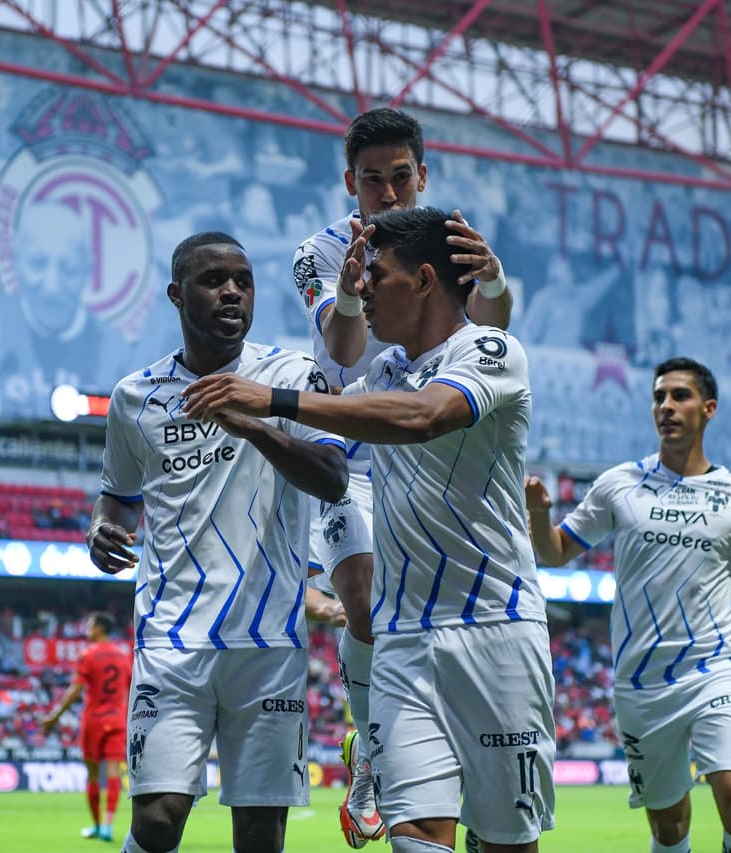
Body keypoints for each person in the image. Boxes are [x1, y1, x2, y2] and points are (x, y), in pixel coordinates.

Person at [186, 207, 555, 853]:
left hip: (495, 630)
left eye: (374, 275)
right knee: (414, 837)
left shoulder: (490, 350)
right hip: (402, 642)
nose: (358, 287)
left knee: (505, 844)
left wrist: (269, 400)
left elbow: (424, 416)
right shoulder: (380, 374)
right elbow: (329, 428)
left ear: (423, 280)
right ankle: (366, 758)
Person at [292, 107, 514, 847]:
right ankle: (373, 756)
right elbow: (342, 352)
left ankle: (440, 762)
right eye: (370, 180)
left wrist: (495, 276)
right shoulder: (317, 253)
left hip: (423, 446)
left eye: (398, 177)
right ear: (349, 183)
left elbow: (493, 331)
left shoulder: (446, 240)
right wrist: (354, 289)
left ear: (423, 175)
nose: (385, 194)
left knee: (424, 610)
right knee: (359, 600)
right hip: (347, 441)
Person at [88, 231, 349, 853]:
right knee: (156, 820)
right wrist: (103, 529)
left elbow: (333, 478)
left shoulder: (290, 374)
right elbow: (119, 496)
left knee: (260, 835)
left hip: (268, 641)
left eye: (243, 280)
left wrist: (253, 424)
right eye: (213, 280)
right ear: (178, 294)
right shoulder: (135, 398)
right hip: (171, 634)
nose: (232, 290)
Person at [524, 357, 731, 853]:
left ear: (709, 409)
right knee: (669, 828)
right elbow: (553, 553)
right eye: (659, 397)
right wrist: (538, 514)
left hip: (716, 668)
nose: (666, 406)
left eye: (679, 396)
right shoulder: (619, 484)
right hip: (641, 683)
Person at [40, 612, 134, 842]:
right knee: (113, 773)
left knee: (92, 775)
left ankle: (97, 825)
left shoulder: (88, 654)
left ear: (99, 629)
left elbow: (75, 689)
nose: (86, 630)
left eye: (90, 626)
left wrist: (55, 716)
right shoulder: (123, 656)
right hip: (118, 720)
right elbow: (129, 690)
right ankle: (109, 826)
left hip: (93, 720)